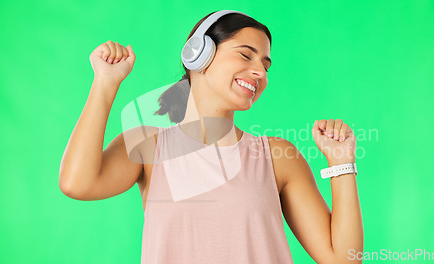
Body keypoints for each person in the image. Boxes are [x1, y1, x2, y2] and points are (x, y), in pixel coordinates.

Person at [59, 10, 363, 264]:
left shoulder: (277, 156)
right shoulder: (148, 146)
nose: (259, 72)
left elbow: (343, 258)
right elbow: (77, 183)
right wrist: (105, 83)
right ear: (198, 55)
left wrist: (341, 163)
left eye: (265, 65)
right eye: (246, 55)